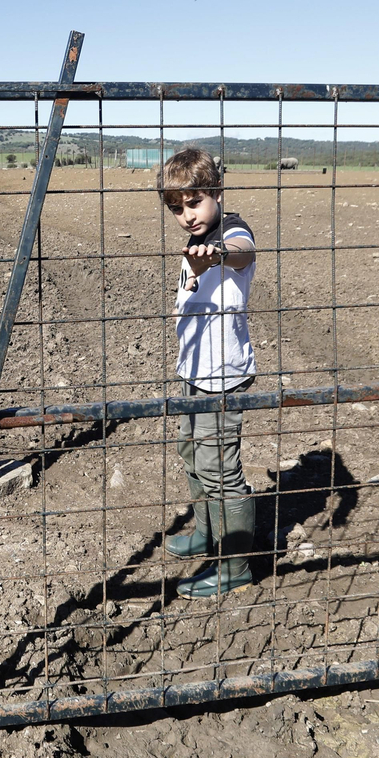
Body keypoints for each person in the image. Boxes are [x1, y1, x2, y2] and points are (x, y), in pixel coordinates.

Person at [158, 148, 259, 599]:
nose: (186, 216)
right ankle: (206, 530)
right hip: (194, 370)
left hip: (223, 373)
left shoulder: (230, 232)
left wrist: (215, 253)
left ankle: (235, 565)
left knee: (220, 466)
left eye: (194, 203)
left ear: (217, 192)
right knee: (190, 452)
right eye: (177, 208)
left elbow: (243, 252)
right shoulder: (194, 239)